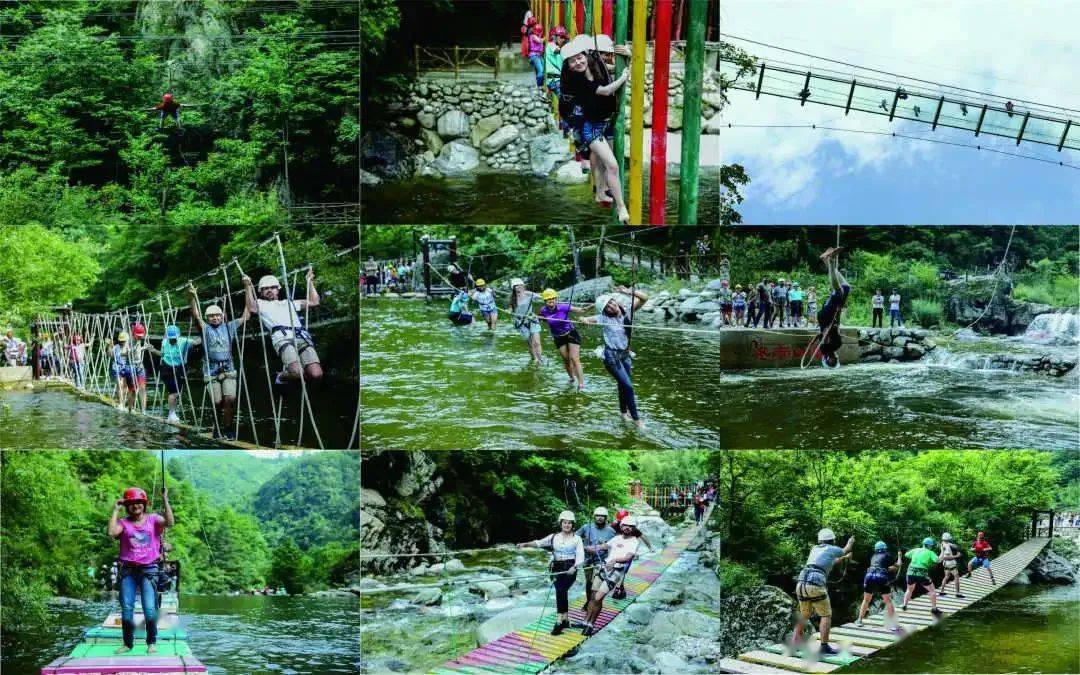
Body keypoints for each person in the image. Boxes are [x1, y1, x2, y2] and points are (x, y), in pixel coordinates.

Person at [559, 35, 632, 223]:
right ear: (567, 66)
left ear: (586, 54)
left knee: (600, 160)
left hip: (604, 121)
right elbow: (606, 90)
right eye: (572, 61)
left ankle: (600, 192)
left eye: (579, 57)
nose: (577, 62)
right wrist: (624, 77)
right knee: (613, 165)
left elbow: (611, 69)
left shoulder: (593, 63)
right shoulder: (575, 79)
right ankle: (622, 208)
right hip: (591, 128)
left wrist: (629, 57)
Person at [108, 485, 174, 655]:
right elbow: (111, 532)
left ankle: (151, 642)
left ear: (144, 504)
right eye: (131, 503)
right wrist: (116, 510)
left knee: (149, 608)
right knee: (127, 608)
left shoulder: (153, 519)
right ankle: (128, 644)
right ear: (127, 506)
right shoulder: (123, 523)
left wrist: (165, 499)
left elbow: (170, 523)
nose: (135, 506)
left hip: (149, 570)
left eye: (139, 502)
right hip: (128, 571)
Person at [188, 277, 256, 439]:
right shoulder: (204, 329)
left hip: (228, 369)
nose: (215, 318)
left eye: (218, 315)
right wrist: (191, 297)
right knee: (217, 401)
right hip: (211, 370)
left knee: (230, 399)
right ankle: (217, 425)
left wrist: (247, 288)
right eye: (211, 316)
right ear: (208, 318)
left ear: (222, 316)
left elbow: (247, 315)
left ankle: (228, 428)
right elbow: (195, 315)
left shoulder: (229, 326)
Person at [582, 287, 648, 429]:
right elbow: (585, 318)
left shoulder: (628, 311)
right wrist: (584, 319)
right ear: (605, 311)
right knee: (628, 387)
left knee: (622, 385)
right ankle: (637, 420)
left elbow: (644, 298)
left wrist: (629, 292)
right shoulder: (603, 318)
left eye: (611, 303)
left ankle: (624, 413)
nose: (612, 306)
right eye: (608, 307)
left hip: (625, 355)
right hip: (611, 357)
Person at [248, 269, 323, 385]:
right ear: (261, 292)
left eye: (272, 287)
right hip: (282, 339)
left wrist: (309, 282)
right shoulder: (260, 304)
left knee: (316, 374)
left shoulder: (290, 303)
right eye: (265, 288)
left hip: (301, 337)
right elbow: (251, 308)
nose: (269, 290)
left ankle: (288, 377)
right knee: (298, 374)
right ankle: (282, 376)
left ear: (278, 289)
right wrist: (247, 286)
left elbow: (314, 301)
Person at [517, 510, 583, 636]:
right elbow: (539, 543)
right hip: (557, 568)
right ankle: (565, 619)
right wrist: (525, 544)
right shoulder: (554, 537)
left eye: (569, 523)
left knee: (561, 590)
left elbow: (580, 555)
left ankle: (559, 621)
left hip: (570, 568)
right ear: (561, 523)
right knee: (561, 591)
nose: (567, 525)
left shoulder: (577, 539)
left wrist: (575, 567)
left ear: (572, 525)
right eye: (565, 523)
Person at [791, 528, 854, 656]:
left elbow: (830, 561)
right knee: (826, 615)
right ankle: (824, 647)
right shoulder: (831, 548)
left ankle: (794, 642)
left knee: (805, 615)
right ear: (832, 540)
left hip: (802, 582)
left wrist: (844, 558)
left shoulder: (815, 549)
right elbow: (845, 549)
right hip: (815, 583)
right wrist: (851, 541)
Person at [582, 516, 642, 636]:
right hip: (603, 569)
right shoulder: (616, 538)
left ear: (634, 528)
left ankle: (591, 624)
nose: (628, 528)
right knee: (593, 596)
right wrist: (588, 548)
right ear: (621, 526)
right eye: (625, 525)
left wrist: (614, 560)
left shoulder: (634, 541)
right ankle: (585, 622)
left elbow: (627, 557)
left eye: (631, 526)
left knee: (598, 598)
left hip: (615, 572)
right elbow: (603, 547)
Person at [538, 288, 590, 390]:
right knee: (566, 360)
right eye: (548, 299)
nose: (551, 301)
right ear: (545, 301)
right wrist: (534, 318)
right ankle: (572, 378)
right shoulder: (543, 311)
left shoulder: (563, 307)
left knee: (574, 359)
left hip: (571, 333)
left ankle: (581, 384)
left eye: (553, 298)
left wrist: (592, 306)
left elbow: (582, 310)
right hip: (558, 337)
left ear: (556, 299)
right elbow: (540, 319)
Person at [146, 325, 193, 424]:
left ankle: (173, 413)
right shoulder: (164, 342)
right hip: (166, 368)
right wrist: (153, 350)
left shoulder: (184, 341)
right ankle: (171, 414)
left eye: (174, 338)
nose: (172, 340)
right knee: (174, 392)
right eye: (170, 338)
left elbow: (196, 342)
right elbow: (163, 354)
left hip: (179, 369)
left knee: (177, 392)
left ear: (178, 336)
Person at [815, 247, 851, 368]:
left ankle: (830, 261)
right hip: (832, 316)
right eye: (835, 361)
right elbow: (836, 330)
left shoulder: (825, 349)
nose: (835, 359)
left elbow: (824, 335)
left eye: (832, 361)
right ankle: (825, 260)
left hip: (826, 317)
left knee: (839, 292)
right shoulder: (837, 346)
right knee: (846, 287)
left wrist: (824, 332)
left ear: (827, 360)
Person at [577, 507, 617, 610]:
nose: (600, 518)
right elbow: (575, 538)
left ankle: (595, 603)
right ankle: (588, 601)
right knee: (589, 582)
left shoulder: (611, 531)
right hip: (587, 560)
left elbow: (615, 547)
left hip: (601, 561)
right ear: (594, 517)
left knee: (597, 584)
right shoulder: (586, 527)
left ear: (606, 518)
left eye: (602, 516)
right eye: (598, 516)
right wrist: (585, 547)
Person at [856, 541, 902, 629]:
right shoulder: (888, 555)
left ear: (876, 549)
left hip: (869, 577)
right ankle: (892, 624)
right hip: (881, 578)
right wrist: (899, 556)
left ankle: (859, 620)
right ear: (885, 548)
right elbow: (897, 566)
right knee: (888, 601)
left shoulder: (873, 556)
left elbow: (882, 566)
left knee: (866, 600)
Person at [901, 537, 944, 616]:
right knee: (932, 591)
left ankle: (904, 605)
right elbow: (938, 560)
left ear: (923, 544)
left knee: (909, 589)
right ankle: (934, 609)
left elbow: (906, 555)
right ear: (930, 546)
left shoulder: (916, 550)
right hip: (922, 573)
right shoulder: (930, 552)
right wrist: (942, 550)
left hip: (910, 572)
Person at [508, 278, 543, 364]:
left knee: (537, 342)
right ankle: (534, 358)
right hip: (521, 323)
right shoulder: (512, 298)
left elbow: (540, 297)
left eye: (520, 285)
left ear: (523, 286)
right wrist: (509, 312)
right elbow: (511, 310)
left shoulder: (529, 294)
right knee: (530, 343)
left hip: (532, 320)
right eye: (516, 286)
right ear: (513, 287)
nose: (519, 287)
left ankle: (539, 359)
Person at [111, 332, 136, 411]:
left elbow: (133, 354)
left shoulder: (128, 347)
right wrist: (109, 347)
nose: (122, 342)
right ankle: (121, 404)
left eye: (124, 341)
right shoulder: (116, 347)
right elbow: (111, 355)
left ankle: (122, 401)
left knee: (125, 386)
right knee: (120, 385)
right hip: (117, 368)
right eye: (121, 341)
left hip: (126, 368)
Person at [129, 324, 151, 413]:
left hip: (140, 367)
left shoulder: (138, 340)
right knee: (133, 390)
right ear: (134, 334)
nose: (140, 338)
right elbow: (127, 352)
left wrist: (144, 348)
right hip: (131, 367)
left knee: (142, 388)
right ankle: (131, 409)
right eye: (138, 336)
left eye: (141, 336)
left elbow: (137, 351)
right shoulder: (129, 341)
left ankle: (143, 410)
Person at [544, 26, 570, 100]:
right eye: (561, 37)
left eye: (564, 38)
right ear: (555, 37)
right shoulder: (551, 45)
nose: (563, 39)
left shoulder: (561, 49)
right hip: (555, 81)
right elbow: (556, 50)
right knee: (566, 103)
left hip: (559, 80)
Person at [938, 532, 965, 598]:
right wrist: (957, 556)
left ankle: (942, 591)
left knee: (947, 576)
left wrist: (955, 546)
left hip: (945, 563)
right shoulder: (946, 546)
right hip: (950, 563)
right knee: (956, 576)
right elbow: (946, 557)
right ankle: (958, 593)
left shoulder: (942, 543)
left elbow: (951, 545)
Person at [527, 19, 546, 89]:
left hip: (538, 55)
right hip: (534, 55)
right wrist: (546, 37)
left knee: (544, 69)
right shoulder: (533, 36)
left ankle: (540, 85)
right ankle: (539, 86)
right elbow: (540, 41)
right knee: (540, 70)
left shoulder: (536, 35)